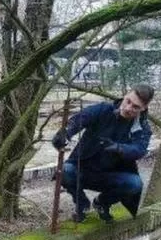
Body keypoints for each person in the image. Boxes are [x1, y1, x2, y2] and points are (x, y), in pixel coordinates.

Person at [51, 85, 154, 223]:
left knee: (134, 184)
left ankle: (102, 203)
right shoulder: (103, 109)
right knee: (64, 171)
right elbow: (82, 117)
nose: (128, 108)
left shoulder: (142, 127)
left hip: (111, 177)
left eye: (135, 107)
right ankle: (81, 204)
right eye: (128, 101)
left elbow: (139, 149)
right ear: (125, 95)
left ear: (144, 108)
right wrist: (66, 133)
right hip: (83, 170)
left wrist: (118, 148)